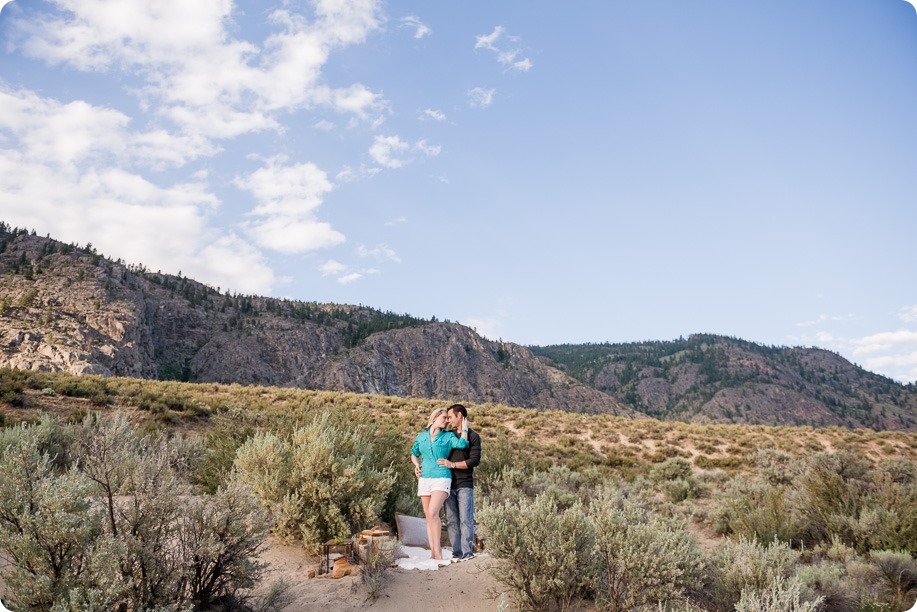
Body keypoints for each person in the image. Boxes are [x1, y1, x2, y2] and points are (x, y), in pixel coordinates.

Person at [410, 406, 469, 560]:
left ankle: (439, 554)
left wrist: (465, 428)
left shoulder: (447, 437)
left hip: (442, 477)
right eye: (444, 418)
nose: (447, 421)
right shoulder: (421, 436)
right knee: (428, 515)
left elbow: (462, 444)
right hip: (424, 478)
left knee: (432, 512)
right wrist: (416, 465)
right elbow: (414, 453)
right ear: (435, 418)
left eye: (448, 418)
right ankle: (433, 553)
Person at [437, 403, 481, 560]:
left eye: (450, 417)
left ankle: (467, 553)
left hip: (464, 484)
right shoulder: (447, 435)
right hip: (447, 484)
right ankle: (456, 554)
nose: (448, 420)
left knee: (466, 519)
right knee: (451, 520)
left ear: (459, 416)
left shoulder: (473, 436)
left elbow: (474, 460)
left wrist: (453, 464)